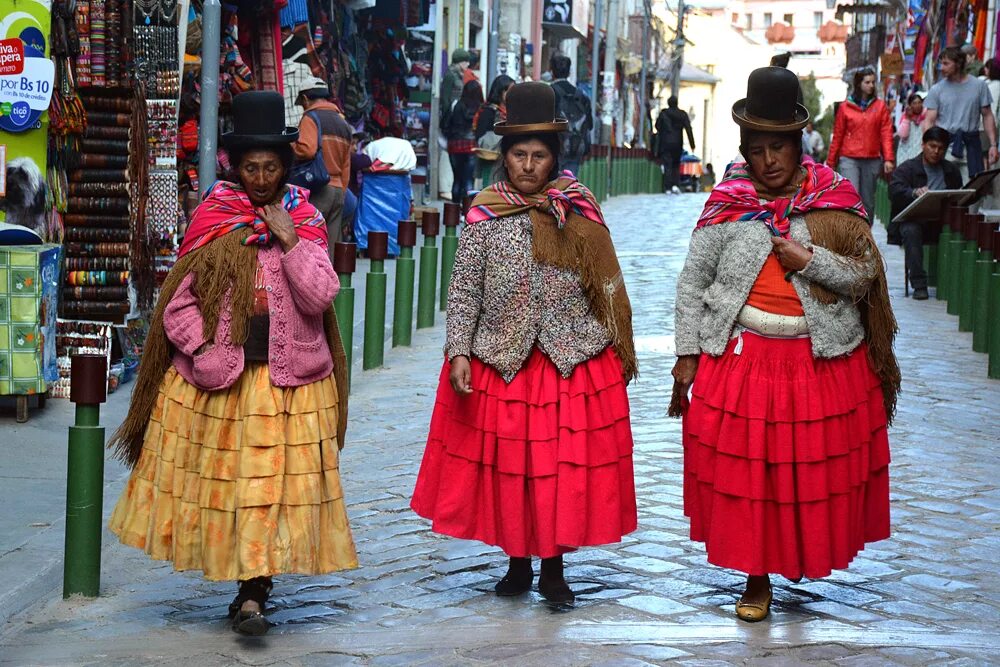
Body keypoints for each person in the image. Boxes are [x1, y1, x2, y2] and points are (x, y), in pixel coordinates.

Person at [107, 91, 356, 636]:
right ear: (236, 167)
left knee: (271, 489)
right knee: (235, 487)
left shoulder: (306, 220)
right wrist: (199, 351)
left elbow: (320, 296)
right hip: (226, 381)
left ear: (285, 167)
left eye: (271, 167)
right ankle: (246, 583)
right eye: (251, 167)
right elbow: (178, 302)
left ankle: (254, 593)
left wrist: (290, 243)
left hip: (290, 384)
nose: (261, 177)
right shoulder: (215, 218)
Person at [671, 67, 899, 623]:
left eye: (778, 147)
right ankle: (755, 577)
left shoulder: (834, 200)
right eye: (756, 149)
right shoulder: (728, 201)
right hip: (744, 359)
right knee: (752, 476)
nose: (767, 160)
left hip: (818, 360)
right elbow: (693, 280)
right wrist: (687, 351)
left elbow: (864, 276)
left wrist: (809, 260)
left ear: (800, 143)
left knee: (803, 471)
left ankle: (795, 556)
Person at [411, 82, 638, 605]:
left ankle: (553, 566)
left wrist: (614, 345)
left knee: (557, 469)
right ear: (504, 157)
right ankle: (517, 562)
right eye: (519, 155)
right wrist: (459, 351)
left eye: (539, 156)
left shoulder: (578, 212)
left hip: (568, 359)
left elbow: (605, 283)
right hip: (503, 358)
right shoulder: (486, 214)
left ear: (554, 159)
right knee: (512, 469)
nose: (529, 165)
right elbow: (465, 288)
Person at [888, 127, 962, 300]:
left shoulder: (951, 170)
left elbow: (959, 195)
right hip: (915, 221)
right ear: (923, 145)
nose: (936, 152)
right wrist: (913, 192)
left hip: (942, 222)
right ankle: (919, 284)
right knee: (910, 231)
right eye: (932, 146)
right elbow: (894, 191)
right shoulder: (907, 168)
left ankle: (954, 282)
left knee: (963, 230)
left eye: (941, 148)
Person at [292, 76, 354, 245]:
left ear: (305, 98)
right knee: (330, 248)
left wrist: (289, 144)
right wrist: (342, 190)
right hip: (338, 191)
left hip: (319, 190)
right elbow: (347, 165)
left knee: (308, 244)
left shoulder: (311, 117)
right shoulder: (343, 123)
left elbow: (307, 150)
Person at [826, 67, 895, 219]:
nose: (871, 85)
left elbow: (886, 133)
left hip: (872, 158)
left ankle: (865, 233)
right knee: (852, 196)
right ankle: (852, 234)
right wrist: (831, 162)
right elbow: (838, 135)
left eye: (873, 82)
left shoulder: (880, 106)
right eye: (867, 82)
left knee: (868, 202)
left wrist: (889, 159)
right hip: (849, 158)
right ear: (859, 84)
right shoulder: (845, 107)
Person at [922, 46, 998, 178]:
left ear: (958, 64)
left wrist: (993, 145)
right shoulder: (937, 89)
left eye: (946, 63)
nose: (941, 68)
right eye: (941, 63)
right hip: (943, 148)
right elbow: (929, 120)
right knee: (943, 193)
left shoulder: (979, 86)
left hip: (971, 147)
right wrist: (926, 147)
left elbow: (987, 115)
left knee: (971, 191)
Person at [549, 53, 593, 176]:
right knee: (568, 184)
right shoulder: (581, 96)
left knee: (550, 186)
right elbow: (590, 124)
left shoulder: (547, 93)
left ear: (552, 71)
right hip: (575, 147)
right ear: (569, 72)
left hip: (552, 147)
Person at [444, 80, 484, 203]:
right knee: (468, 180)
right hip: (471, 146)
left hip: (455, 145)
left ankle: (454, 211)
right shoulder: (480, 108)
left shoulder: (456, 105)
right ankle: (467, 212)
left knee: (457, 179)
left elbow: (446, 124)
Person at [474, 74, 515, 186]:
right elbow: (480, 136)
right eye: (509, 91)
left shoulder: (513, 112)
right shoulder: (488, 112)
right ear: (500, 91)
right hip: (489, 160)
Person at [655, 96, 696, 193]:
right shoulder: (682, 114)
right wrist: (692, 144)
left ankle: (667, 187)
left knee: (667, 165)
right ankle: (675, 185)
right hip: (678, 143)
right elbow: (688, 129)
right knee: (676, 164)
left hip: (665, 143)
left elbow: (657, 126)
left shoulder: (663, 114)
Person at [896, 93, 927, 165]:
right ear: (910, 105)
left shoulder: (926, 116)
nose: (917, 105)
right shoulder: (905, 116)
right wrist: (907, 118)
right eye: (914, 103)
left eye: (919, 102)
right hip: (906, 151)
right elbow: (903, 135)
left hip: (920, 149)